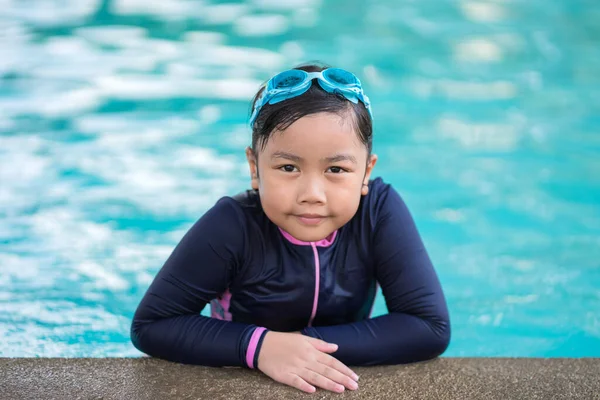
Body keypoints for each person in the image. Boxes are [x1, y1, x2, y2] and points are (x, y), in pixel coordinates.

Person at [130, 62, 451, 394]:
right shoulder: (232, 225)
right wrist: (258, 347)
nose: (312, 195)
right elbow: (152, 325)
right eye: (288, 167)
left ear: (366, 172)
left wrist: (298, 346)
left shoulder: (378, 212)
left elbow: (429, 326)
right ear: (255, 168)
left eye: (337, 170)